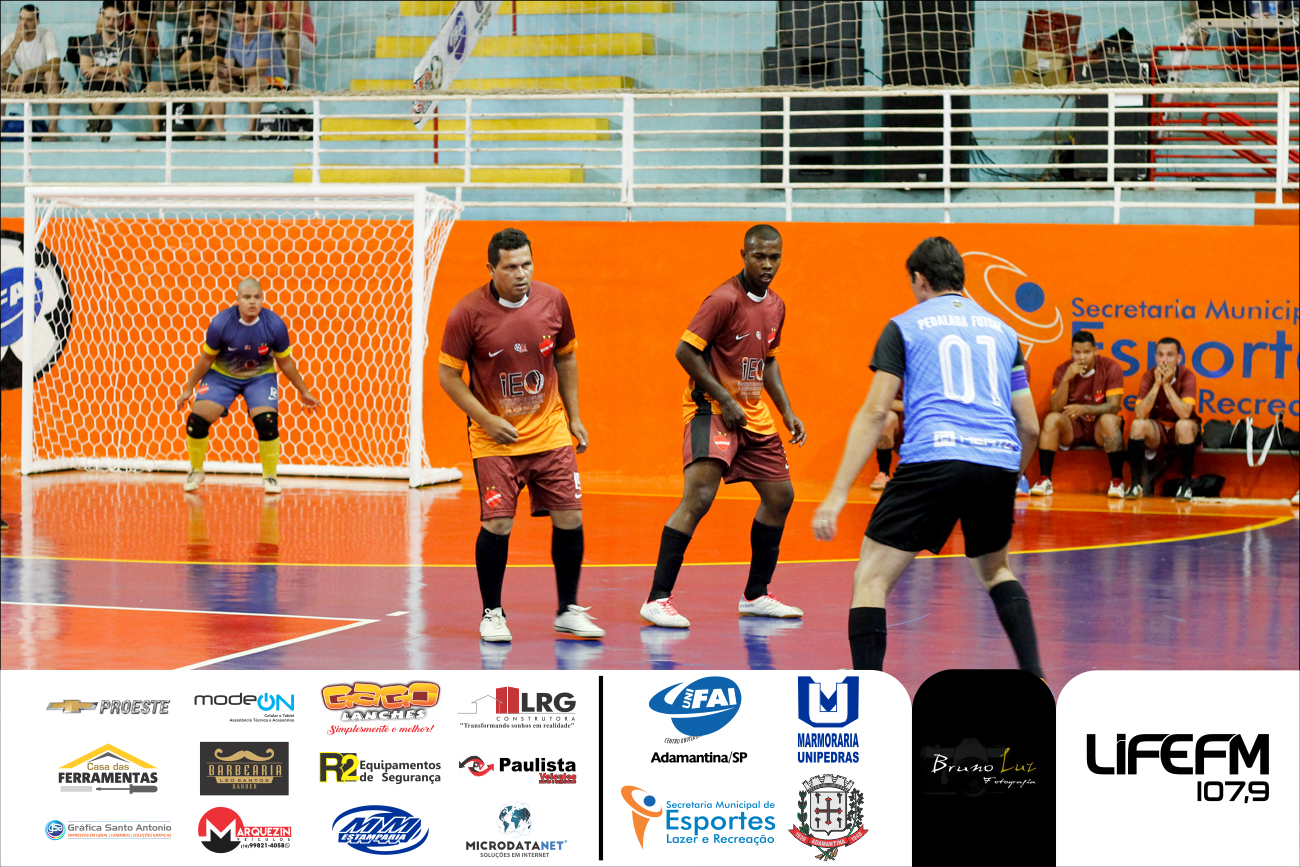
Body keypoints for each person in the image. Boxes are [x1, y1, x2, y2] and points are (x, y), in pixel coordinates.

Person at [812, 237, 1043, 676]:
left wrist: (837, 494)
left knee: (871, 578)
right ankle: (1036, 678)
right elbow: (1029, 424)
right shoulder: (1004, 332)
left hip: (933, 458)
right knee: (996, 571)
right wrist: (1010, 477)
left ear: (920, 279)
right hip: (996, 459)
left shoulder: (905, 326)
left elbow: (876, 412)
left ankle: (870, 690)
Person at [437, 228, 602, 643]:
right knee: (498, 524)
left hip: (550, 431)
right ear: (491, 269)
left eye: (527, 264)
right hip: (495, 439)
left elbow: (566, 359)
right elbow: (447, 376)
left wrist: (575, 417)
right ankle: (492, 613)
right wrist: (486, 420)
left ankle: (567, 610)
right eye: (511, 267)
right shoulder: (467, 313)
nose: (521, 274)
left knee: (571, 517)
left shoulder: (553, 301)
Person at [639, 224, 808, 629]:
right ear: (743, 255)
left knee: (780, 497)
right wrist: (726, 400)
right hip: (711, 409)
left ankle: (756, 595)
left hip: (752, 414)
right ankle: (657, 599)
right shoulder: (723, 299)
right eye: (759, 256)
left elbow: (768, 361)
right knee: (698, 497)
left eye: (774, 257)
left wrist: (786, 411)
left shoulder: (777, 305)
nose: (767, 265)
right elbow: (685, 351)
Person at [174, 277, 323, 495]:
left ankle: (270, 477)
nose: (252, 302)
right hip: (223, 376)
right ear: (237, 300)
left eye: (257, 297)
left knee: (267, 421)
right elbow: (206, 359)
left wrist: (304, 391)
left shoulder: (275, 325)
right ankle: (196, 471)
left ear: (262, 299)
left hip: (259, 377)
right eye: (247, 297)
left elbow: (285, 362)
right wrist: (188, 389)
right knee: (196, 421)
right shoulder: (221, 323)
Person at [1029, 330, 1127, 498]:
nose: (1082, 357)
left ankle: (1117, 480)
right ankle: (1045, 479)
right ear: (1071, 352)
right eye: (1077, 352)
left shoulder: (1110, 367)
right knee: (1051, 419)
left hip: (1098, 428)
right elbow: (1056, 408)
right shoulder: (1063, 369)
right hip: (1074, 426)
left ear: (1096, 351)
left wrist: (1084, 409)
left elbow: (1113, 407)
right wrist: (1066, 379)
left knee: (1110, 421)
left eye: (1087, 352)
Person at [1126, 337, 1201, 501]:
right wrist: (1156, 385)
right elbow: (1140, 413)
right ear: (1156, 357)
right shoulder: (1149, 376)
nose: (1164, 360)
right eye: (1160, 355)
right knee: (1137, 425)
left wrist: (1166, 385)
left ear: (1178, 359)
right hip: (1158, 430)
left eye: (1170, 355)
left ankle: (1186, 485)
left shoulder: (1188, 376)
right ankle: (1135, 484)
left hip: (1181, 431)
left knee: (1184, 425)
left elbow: (1185, 413)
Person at [140, 6, 225, 140]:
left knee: (214, 89)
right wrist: (203, 63)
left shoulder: (221, 44)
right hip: (187, 83)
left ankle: (200, 129)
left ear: (216, 22)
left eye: (208, 21)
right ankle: (156, 130)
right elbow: (182, 67)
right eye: (201, 22)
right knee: (153, 87)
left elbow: (213, 67)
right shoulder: (194, 44)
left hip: (206, 83)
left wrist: (195, 65)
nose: (205, 26)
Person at [210, 0, 285, 137]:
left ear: (253, 20)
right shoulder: (233, 40)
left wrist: (236, 72)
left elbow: (260, 69)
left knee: (254, 80)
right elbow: (229, 66)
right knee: (215, 82)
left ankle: (251, 131)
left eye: (245, 20)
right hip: (247, 82)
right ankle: (220, 133)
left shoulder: (265, 36)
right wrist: (221, 71)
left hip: (278, 82)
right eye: (237, 22)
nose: (241, 25)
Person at [1, 5, 63, 140]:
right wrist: (17, 41)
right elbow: (1, 67)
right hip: (21, 83)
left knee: (51, 75)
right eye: (21, 19)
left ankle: (53, 128)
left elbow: (56, 64)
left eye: (28, 20)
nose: (23, 23)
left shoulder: (46, 35)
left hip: (42, 81)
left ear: (37, 22)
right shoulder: (10, 39)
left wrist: (28, 73)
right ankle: (1, 129)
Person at [79, 0, 137, 142]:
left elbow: (124, 71)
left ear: (120, 21)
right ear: (102, 18)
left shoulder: (127, 43)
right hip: (97, 84)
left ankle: (96, 122)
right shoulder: (89, 42)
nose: (111, 22)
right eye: (108, 18)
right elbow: (86, 71)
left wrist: (99, 69)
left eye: (115, 19)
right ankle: (104, 127)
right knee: (97, 99)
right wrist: (113, 75)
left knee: (109, 100)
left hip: (117, 86)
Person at [262, 1, 314, 89]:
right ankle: (265, 84)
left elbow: (294, 27)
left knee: (290, 38)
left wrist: (276, 5)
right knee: (262, 39)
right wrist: (278, 32)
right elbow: (255, 26)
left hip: (303, 41)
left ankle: (294, 86)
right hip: (280, 36)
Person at [869, 385, 904, 490]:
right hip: (901, 431)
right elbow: (879, 403)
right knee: (886, 418)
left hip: (926, 431)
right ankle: (884, 473)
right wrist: (913, 404)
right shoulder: (892, 376)